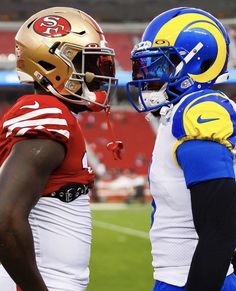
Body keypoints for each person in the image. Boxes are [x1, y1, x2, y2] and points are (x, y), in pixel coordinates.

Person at [0, 7, 117, 291]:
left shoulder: (59, 116)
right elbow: (4, 218)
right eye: (89, 63)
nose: (100, 74)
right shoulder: (47, 111)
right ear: (54, 65)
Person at [126, 7, 236, 291]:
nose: (147, 76)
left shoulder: (200, 110)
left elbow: (219, 231)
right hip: (183, 274)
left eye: (159, 65)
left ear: (199, 63)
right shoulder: (177, 112)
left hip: (191, 277)